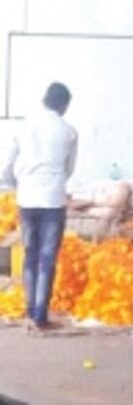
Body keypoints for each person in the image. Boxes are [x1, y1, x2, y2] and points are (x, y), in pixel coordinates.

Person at [1, 83, 78, 333]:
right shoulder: (68, 132)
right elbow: (68, 169)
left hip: (27, 198)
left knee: (29, 254)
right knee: (47, 259)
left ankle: (29, 311)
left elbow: (7, 167)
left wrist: (20, 185)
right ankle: (40, 316)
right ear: (64, 105)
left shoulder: (23, 127)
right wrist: (52, 183)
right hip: (53, 200)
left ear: (44, 99)